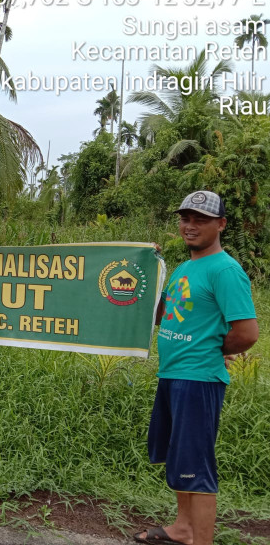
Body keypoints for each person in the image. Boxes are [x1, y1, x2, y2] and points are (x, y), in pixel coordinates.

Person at [135, 191, 258, 545]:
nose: (190, 226)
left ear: (220, 224)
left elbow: (247, 333)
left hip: (198, 380)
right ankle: (183, 528)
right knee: (180, 460)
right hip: (174, 375)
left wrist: (212, 350)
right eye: (186, 219)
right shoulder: (186, 267)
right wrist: (147, 268)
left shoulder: (226, 270)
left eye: (200, 220)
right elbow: (164, 316)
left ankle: (199, 539)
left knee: (196, 468)